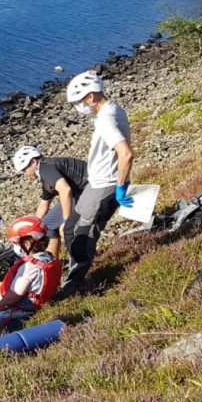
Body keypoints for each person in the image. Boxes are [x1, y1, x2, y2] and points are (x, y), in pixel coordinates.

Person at [63, 70, 135, 294]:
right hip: (95, 184)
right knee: (70, 228)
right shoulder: (113, 109)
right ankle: (72, 271)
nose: (78, 107)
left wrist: (120, 186)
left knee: (84, 236)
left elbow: (126, 154)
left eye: (79, 102)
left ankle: (75, 285)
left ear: (91, 96)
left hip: (105, 186)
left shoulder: (106, 120)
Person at [12, 146, 89, 256]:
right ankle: (52, 262)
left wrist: (66, 221)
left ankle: (80, 262)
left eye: (24, 169)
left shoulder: (45, 168)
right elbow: (43, 205)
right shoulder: (46, 175)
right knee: (47, 225)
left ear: (33, 162)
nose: (25, 173)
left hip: (88, 190)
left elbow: (65, 190)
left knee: (66, 230)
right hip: (78, 193)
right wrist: (31, 230)